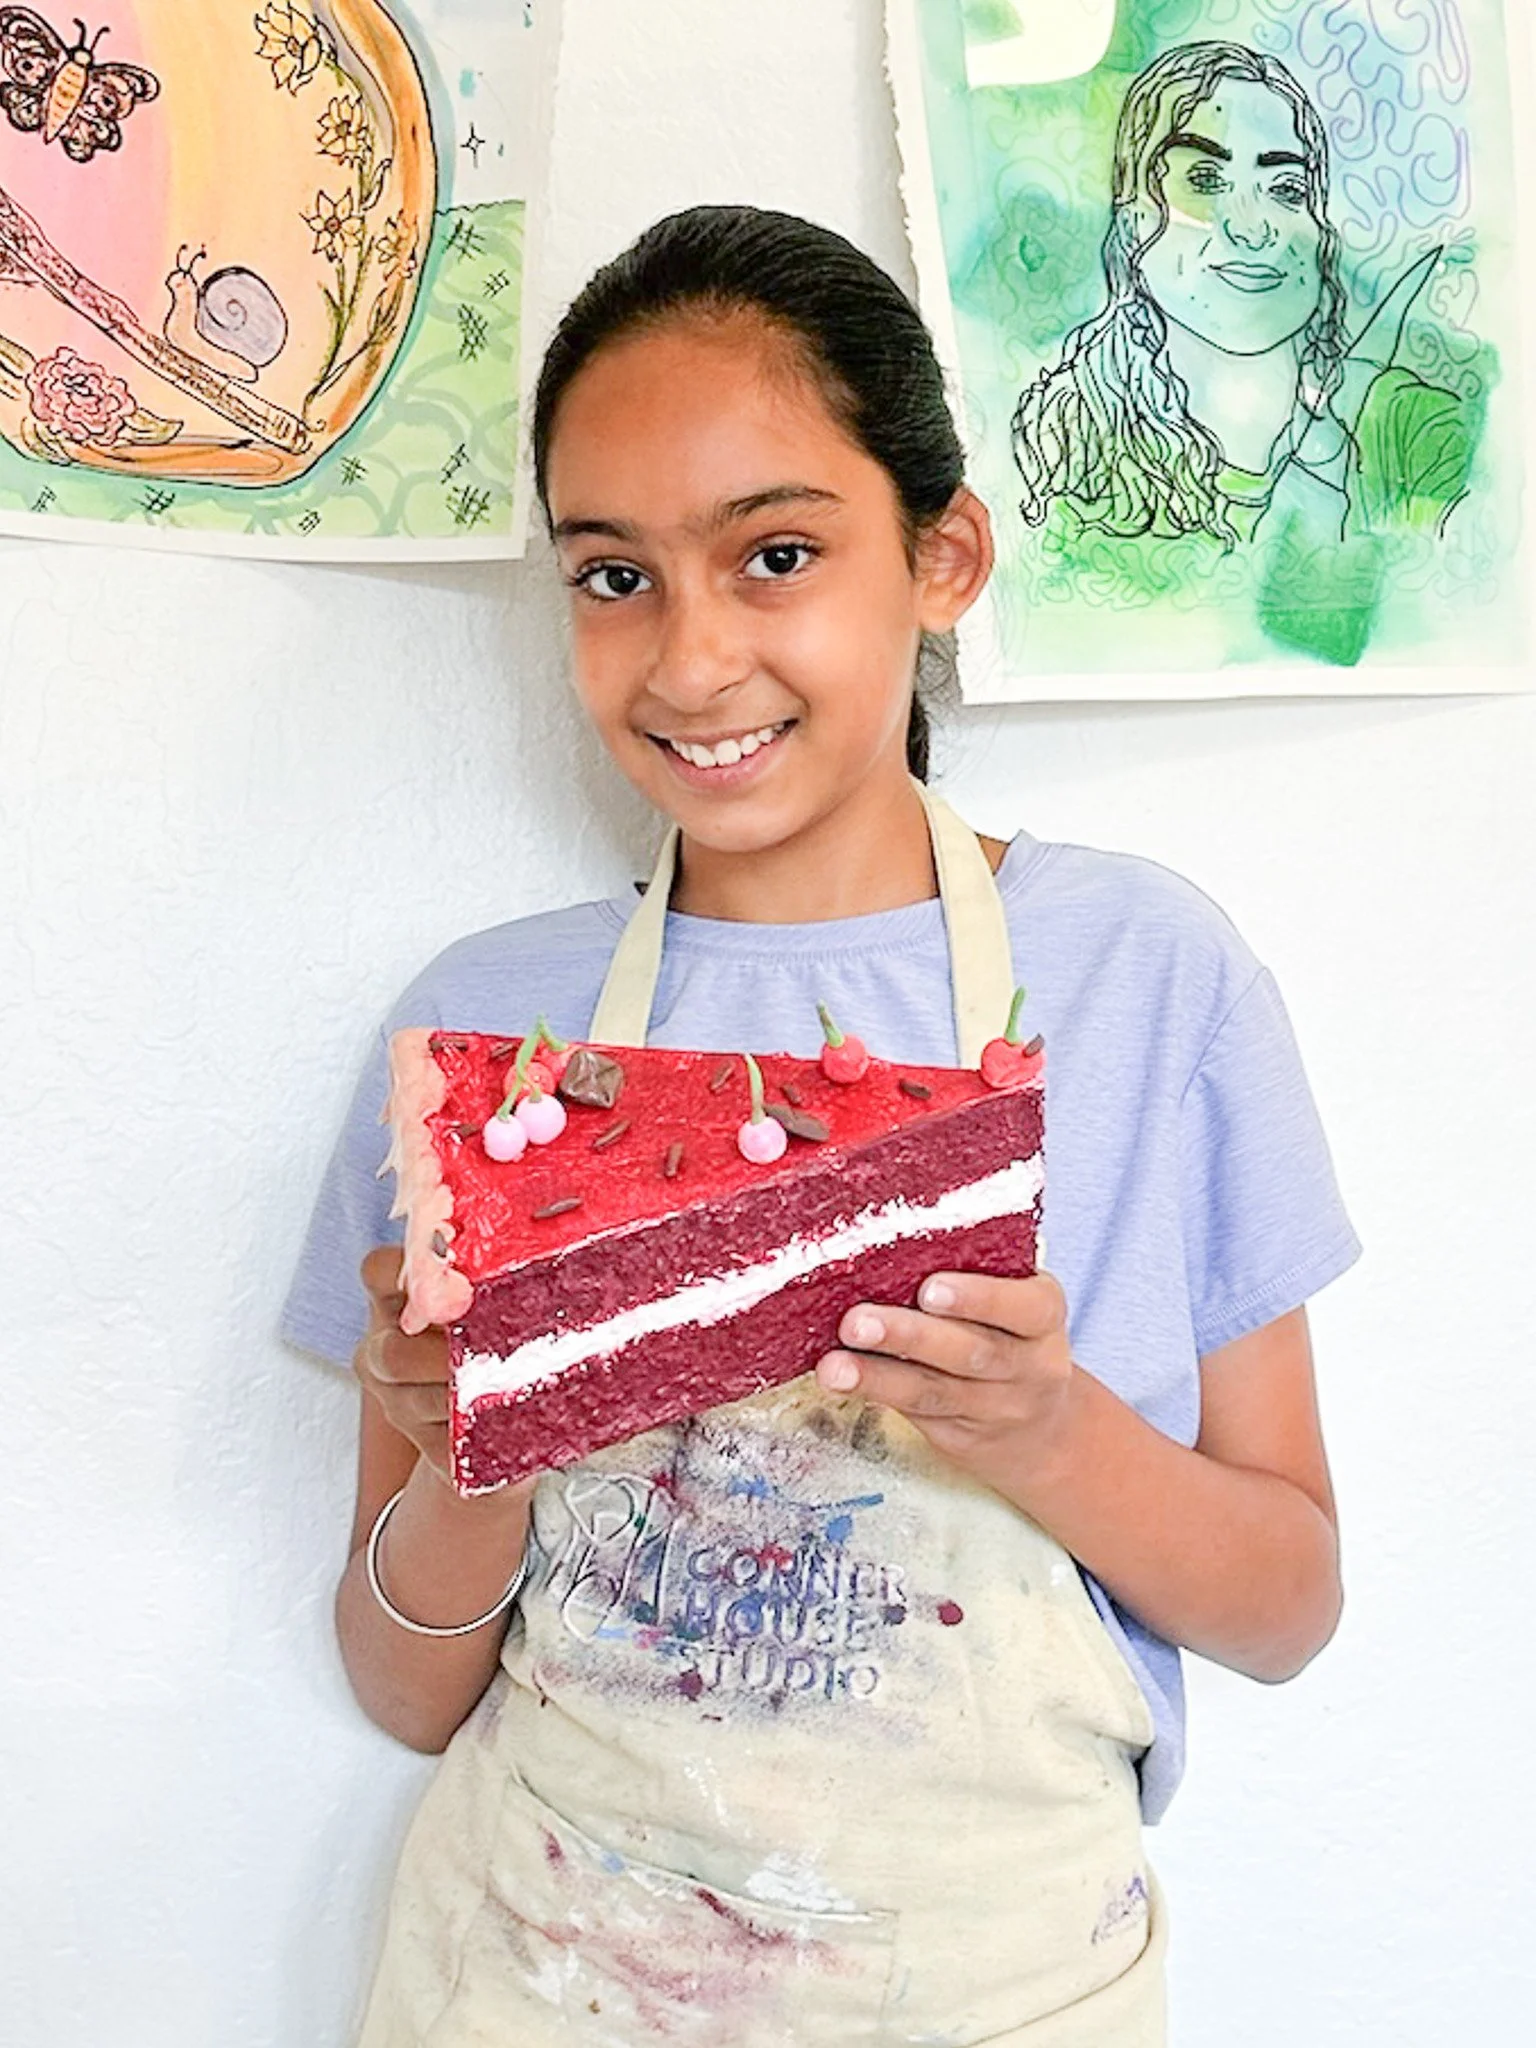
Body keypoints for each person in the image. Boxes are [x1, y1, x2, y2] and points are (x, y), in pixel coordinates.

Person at [284, 204, 1360, 2046]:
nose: (690, 659)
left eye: (773, 552)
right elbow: (402, 1685)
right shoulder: (479, 1022)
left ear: (942, 556)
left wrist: (1050, 1425)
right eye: (612, 574)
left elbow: (1288, 1607)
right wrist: (474, 1437)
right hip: (535, 1986)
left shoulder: (1145, 972)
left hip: (998, 1985)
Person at [1011, 39, 1474, 555]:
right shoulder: (1074, 449)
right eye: (1205, 180)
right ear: (1131, 221)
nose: (1252, 230)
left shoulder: (1404, 430)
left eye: (1286, 190)